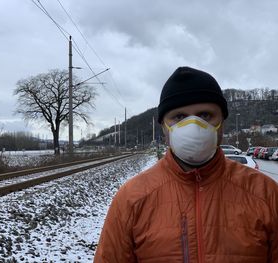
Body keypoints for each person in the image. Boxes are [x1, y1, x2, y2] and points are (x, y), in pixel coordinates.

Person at [94, 66, 278, 263]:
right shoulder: (132, 198)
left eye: (205, 115)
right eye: (179, 117)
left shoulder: (265, 194)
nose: (194, 126)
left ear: (222, 122)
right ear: (163, 128)